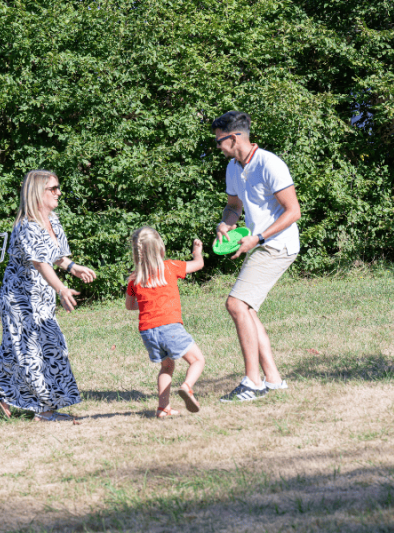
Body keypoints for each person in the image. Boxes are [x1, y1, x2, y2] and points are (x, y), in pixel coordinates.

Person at [0, 170, 96, 422]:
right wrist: (62, 289)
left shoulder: (52, 219)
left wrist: (72, 267)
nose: (59, 192)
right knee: (41, 351)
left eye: (58, 187)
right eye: (53, 188)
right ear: (38, 193)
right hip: (21, 300)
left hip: (41, 298)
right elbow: (40, 264)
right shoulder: (27, 226)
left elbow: (56, 256)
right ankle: (45, 411)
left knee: (20, 347)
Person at [212, 111, 301, 402]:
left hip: (277, 244)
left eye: (219, 140)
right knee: (246, 309)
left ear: (234, 137)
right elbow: (234, 206)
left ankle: (253, 382)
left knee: (236, 304)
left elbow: (293, 211)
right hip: (259, 242)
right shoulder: (233, 168)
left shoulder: (270, 163)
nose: (217, 146)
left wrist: (259, 238)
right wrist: (227, 222)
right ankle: (272, 379)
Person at [125, 227, 206, 418]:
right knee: (197, 360)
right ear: (160, 248)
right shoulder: (170, 267)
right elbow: (198, 264)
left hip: (148, 332)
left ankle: (163, 408)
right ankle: (187, 387)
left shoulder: (134, 279)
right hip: (170, 327)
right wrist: (197, 252)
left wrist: (148, 303)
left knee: (167, 367)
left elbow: (130, 306)